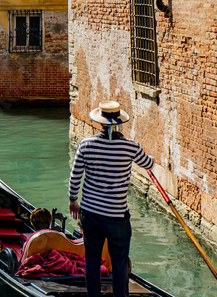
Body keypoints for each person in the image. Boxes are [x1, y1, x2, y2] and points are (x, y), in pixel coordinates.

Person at [68, 100, 155, 297]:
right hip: (117, 217)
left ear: (100, 123)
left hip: (90, 214)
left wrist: (73, 200)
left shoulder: (86, 144)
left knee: (92, 259)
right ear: (118, 123)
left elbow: (75, 176)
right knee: (119, 261)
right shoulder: (130, 147)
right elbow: (149, 163)